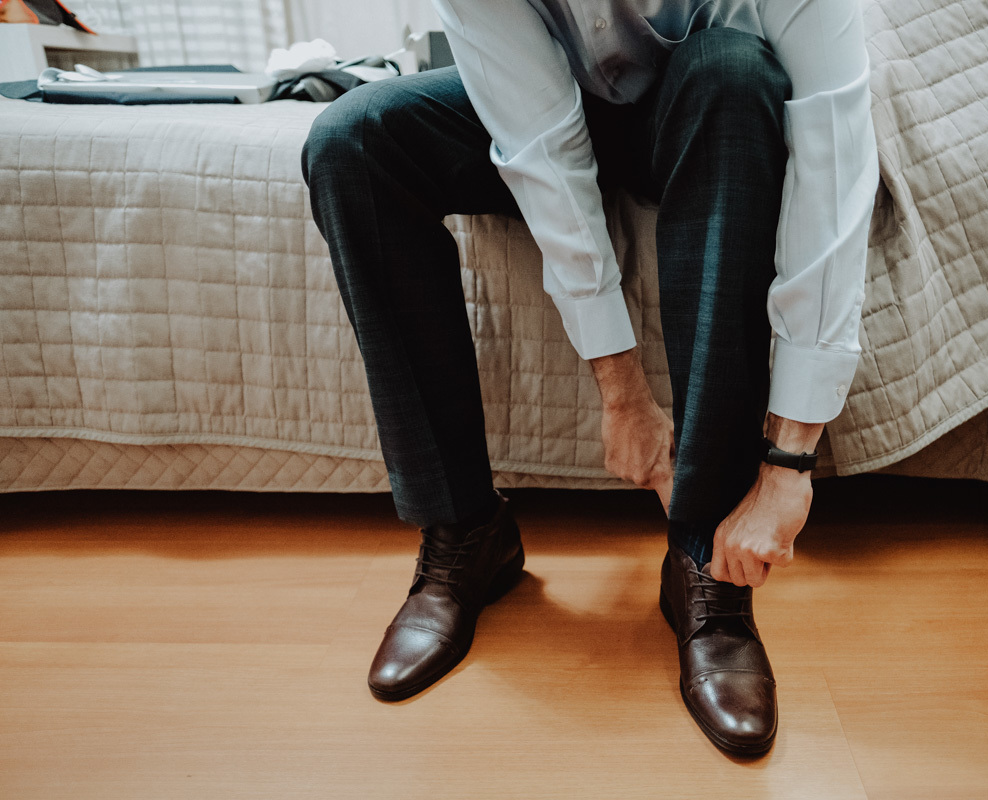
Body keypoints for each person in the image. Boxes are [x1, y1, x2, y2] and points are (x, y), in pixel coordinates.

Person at [301, 0, 877, 756]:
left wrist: (790, 459)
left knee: (735, 75)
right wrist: (622, 390)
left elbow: (834, 163)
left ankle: (706, 562)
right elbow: (542, 148)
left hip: (705, 105)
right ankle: (466, 534)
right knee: (353, 141)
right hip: (558, 95)